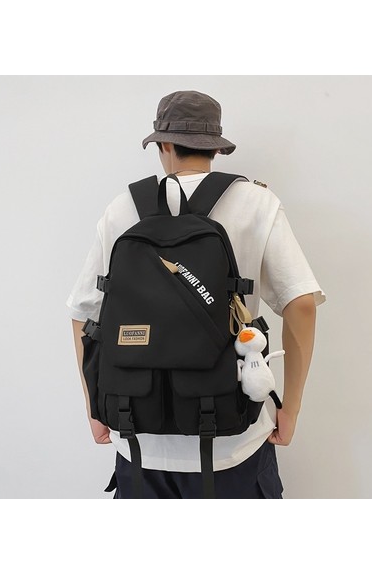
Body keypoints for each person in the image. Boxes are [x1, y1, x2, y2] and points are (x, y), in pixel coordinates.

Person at [66, 90, 326, 498]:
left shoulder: (121, 208)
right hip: (233, 443)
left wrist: (95, 406)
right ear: (216, 148)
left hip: (137, 439)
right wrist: (289, 408)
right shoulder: (257, 203)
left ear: (164, 145)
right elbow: (302, 304)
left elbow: (83, 313)